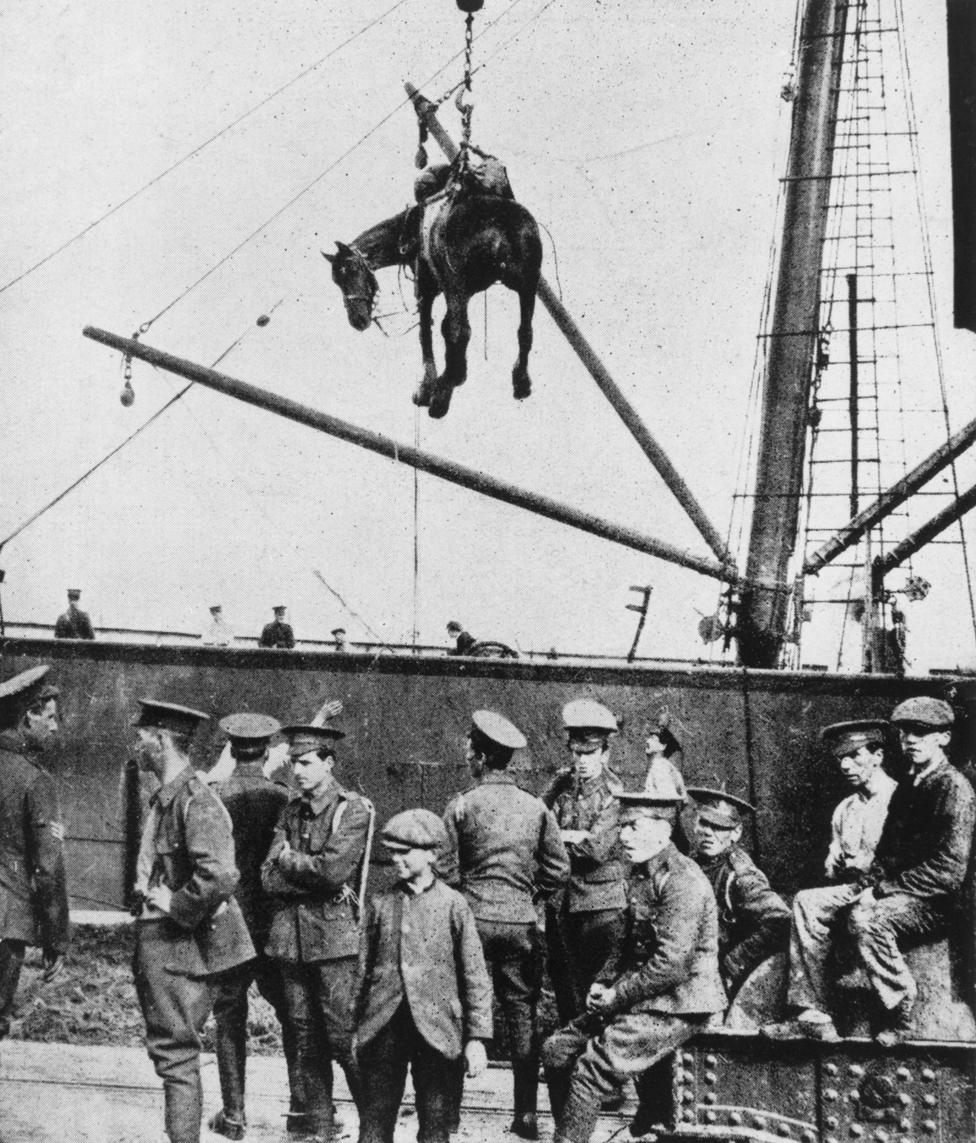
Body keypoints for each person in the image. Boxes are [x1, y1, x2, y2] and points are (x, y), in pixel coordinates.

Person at [541, 779, 726, 1143]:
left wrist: (616, 996)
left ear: (662, 830)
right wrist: (603, 981)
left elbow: (671, 965)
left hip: (682, 1005)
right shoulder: (640, 872)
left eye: (632, 826)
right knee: (557, 1049)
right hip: (647, 997)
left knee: (592, 1069)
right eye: (621, 825)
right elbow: (625, 941)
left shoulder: (682, 880)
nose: (621, 835)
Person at [130, 698, 255, 1143]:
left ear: (162, 741)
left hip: (178, 946)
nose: (137, 745)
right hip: (165, 945)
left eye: (143, 737)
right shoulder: (168, 798)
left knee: (177, 1057)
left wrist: (176, 904)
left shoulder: (193, 799)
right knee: (174, 1056)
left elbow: (220, 874)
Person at [441, 711, 569, 1140]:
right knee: (522, 1016)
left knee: (460, 1012)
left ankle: (450, 1117)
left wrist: (467, 896)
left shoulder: (461, 805)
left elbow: (445, 868)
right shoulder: (536, 808)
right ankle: (526, 1116)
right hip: (520, 924)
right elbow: (558, 869)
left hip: (472, 923)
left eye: (469, 751)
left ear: (478, 756)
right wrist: (529, 897)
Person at [262, 723, 374, 1140]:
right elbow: (265, 877)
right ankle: (318, 1124)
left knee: (344, 1037)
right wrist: (296, 868)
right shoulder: (290, 810)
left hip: (332, 943)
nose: (297, 771)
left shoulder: (352, 809)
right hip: (290, 941)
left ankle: (374, 1123)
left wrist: (291, 862)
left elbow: (331, 872)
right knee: (302, 1035)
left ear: (329, 764)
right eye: (293, 762)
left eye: (306, 763)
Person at [354, 808, 492, 1143]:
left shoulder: (453, 905)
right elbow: (360, 971)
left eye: (405, 853)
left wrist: (476, 1039)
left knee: (435, 1125)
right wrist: (352, 1029)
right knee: (374, 1125)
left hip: (438, 1031)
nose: (396, 860)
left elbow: (474, 975)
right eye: (393, 853)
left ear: (431, 855)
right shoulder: (380, 903)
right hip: (384, 1027)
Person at [846, 697, 974, 1045]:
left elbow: (948, 871)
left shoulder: (953, 788)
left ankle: (901, 1014)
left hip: (938, 905)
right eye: (905, 735)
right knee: (825, 905)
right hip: (905, 894)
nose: (911, 741)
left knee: (870, 920)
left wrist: (885, 891)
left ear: (944, 738)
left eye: (922, 733)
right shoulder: (909, 787)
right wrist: (868, 884)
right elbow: (889, 853)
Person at [762, 719, 899, 1043]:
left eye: (855, 756)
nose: (846, 765)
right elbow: (832, 869)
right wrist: (835, 863)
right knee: (805, 901)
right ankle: (813, 1013)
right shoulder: (845, 809)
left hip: (893, 891)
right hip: (855, 889)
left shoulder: (901, 801)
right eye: (841, 759)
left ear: (878, 755)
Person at [208, 712, 293, 1141]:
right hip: (274, 921)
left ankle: (235, 1115)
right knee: (294, 1014)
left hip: (229, 921)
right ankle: (302, 1108)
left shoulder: (215, 795)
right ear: (265, 750)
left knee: (228, 1015)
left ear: (231, 748)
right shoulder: (283, 797)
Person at [542, 699, 627, 1024]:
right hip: (564, 904)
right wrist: (568, 836)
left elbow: (593, 851)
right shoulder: (563, 786)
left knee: (597, 992)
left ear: (604, 753)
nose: (581, 761)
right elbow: (536, 823)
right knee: (567, 991)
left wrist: (557, 837)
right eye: (576, 753)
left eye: (589, 753)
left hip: (600, 908)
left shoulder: (613, 792)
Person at [0, 665, 69, 1040]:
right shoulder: (35, 780)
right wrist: (55, 938)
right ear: (28, 716)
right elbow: (47, 867)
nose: (55, 727)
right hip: (5, 921)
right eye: (50, 717)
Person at [686, 786, 789, 997]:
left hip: (716, 978)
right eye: (704, 823)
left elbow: (780, 921)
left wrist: (733, 962)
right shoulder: (690, 863)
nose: (708, 832)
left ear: (736, 833)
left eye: (718, 827)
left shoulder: (741, 876)